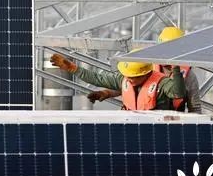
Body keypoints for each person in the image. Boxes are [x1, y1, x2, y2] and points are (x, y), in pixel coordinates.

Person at [50, 53, 186, 111]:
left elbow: (177, 92)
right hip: (130, 126)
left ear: (145, 73)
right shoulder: (124, 79)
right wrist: (73, 69)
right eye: (127, 76)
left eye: (133, 77)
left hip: (155, 129)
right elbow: (97, 78)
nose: (129, 79)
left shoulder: (161, 82)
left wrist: (176, 68)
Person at [155, 27, 202, 113]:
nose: (163, 54)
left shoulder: (189, 77)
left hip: (175, 119)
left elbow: (195, 109)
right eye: (161, 50)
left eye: (168, 51)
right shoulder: (147, 69)